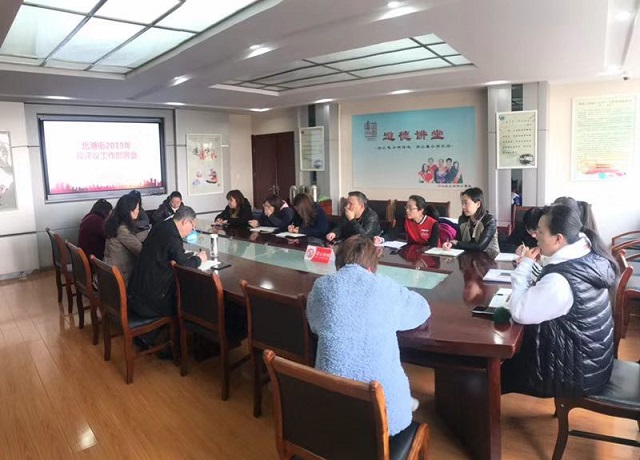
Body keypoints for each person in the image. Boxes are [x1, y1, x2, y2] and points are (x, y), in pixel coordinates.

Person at [306, 235, 431, 436]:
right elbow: (420, 309)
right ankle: (403, 402)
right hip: (383, 415)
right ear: (372, 267)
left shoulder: (321, 287)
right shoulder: (384, 287)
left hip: (331, 407)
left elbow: (314, 323)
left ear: (338, 262)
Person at [502, 204, 617, 397]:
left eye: (540, 232)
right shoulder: (586, 252)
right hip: (591, 363)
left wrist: (525, 266)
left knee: (495, 369)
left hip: (573, 374)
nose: (535, 236)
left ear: (558, 239)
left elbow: (520, 312)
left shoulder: (561, 280)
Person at [128, 206, 207, 318]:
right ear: (185, 222)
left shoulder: (161, 225)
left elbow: (165, 252)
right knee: (189, 296)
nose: (192, 231)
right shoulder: (173, 236)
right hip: (150, 302)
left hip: (136, 293)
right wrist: (199, 259)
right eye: (193, 227)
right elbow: (184, 266)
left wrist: (184, 256)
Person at [443, 187, 499, 258]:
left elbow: (480, 246)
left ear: (478, 204)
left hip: (488, 259)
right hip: (467, 258)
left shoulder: (489, 220)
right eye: (462, 203)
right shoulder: (462, 219)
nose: (463, 207)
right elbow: (457, 240)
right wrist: (450, 244)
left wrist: (457, 243)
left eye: (466, 203)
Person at [104, 194, 147, 285]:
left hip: (109, 272)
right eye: (137, 208)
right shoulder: (122, 230)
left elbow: (130, 239)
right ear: (130, 211)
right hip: (120, 278)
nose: (138, 211)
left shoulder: (115, 224)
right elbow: (141, 251)